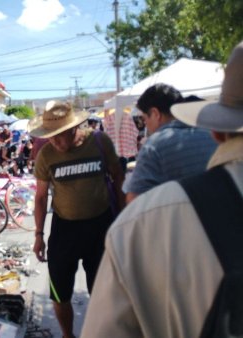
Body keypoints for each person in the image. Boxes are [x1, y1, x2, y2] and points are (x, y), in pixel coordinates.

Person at [81, 40, 243, 338]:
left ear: (221, 132)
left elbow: (132, 202)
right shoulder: (202, 137)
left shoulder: (155, 155)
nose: (145, 126)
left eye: (144, 119)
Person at [30, 101, 125, 338]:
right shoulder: (46, 155)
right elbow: (40, 198)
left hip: (100, 226)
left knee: (102, 292)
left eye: (59, 136)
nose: (54, 142)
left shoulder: (100, 143)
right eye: (49, 136)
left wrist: (123, 222)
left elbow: (119, 178)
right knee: (60, 292)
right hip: (64, 230)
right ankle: (68, 335)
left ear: (75, 129)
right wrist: (39, 235)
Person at [124, 83, 217, 203]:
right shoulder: (211, 135)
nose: (145, 123)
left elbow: (134, 202)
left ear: (155, 114)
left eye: (145, 118)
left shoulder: (153, 146)